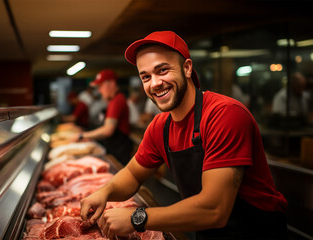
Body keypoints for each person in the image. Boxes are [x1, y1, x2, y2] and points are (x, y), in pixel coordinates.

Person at [80, 31, 288, 239]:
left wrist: (138, 218)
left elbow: (215, 209)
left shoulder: (225, 115)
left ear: (187, 68)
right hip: (208, 231)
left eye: (162, 70)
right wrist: (104, 192)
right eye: (146, 77)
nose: (154, 83)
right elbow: (134, 174)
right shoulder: (160, 126)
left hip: (256, 231)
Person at [76, 69, 133, 165]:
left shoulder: (116, 101)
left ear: (112, 84)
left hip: (119, 151)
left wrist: (82, 135)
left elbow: (108, 130)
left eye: (100, 86)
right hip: (115, 149)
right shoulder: (114, 100)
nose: (99, 90)